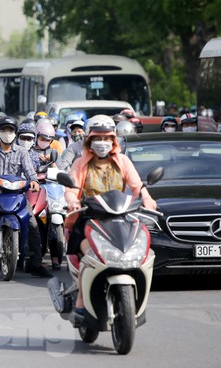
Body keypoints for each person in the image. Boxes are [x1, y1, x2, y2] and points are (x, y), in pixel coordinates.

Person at [63, 115, 157, 325]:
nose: (103, 142)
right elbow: (71, 188)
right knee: (89, 256)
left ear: (114, 139)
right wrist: (73, 201)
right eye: (98, 137)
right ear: (89, 139)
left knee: (140, 250)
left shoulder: (123, 161)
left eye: (107, 138)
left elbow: (136, 185)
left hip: (121, 217)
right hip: (89, 218)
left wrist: (148, 198)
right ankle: (80, 301)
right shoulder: (80, 163)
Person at [0, 116, 51, 278]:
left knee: (33, 226)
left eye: (10, 131)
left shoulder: (21, 152)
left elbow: (29, 171)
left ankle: (36, 263)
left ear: (15, 134)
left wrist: (34, 181)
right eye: (4, 130)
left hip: (17, 195)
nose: (7, 133)